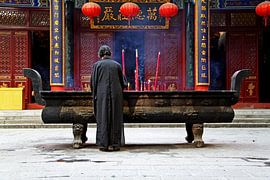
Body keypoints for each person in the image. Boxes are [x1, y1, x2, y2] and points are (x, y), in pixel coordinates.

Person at [91, 45, 127, 151]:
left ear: (100, 54)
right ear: (109, 53)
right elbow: (123, 83)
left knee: (103, 117)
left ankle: (103, 144)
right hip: (116, 95)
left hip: (102, 94)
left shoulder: (97, 65)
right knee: (115, 117)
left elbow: (93, 83)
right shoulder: (117, 65)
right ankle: (115, 144)